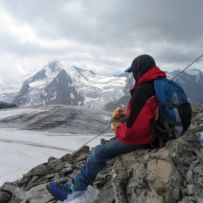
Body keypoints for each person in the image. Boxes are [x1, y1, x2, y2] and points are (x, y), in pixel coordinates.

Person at [46, 54, 167, 201]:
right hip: (160, 130)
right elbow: (149, 111)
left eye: (133, 71)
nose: (132, 75)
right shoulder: (157, 83)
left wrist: (118, 129)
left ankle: (75, 190)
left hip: (147, 136)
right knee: (121, 122)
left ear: (139, 70)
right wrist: (127, 114)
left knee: (99, 152)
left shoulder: (143, 90)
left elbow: (134, 132)